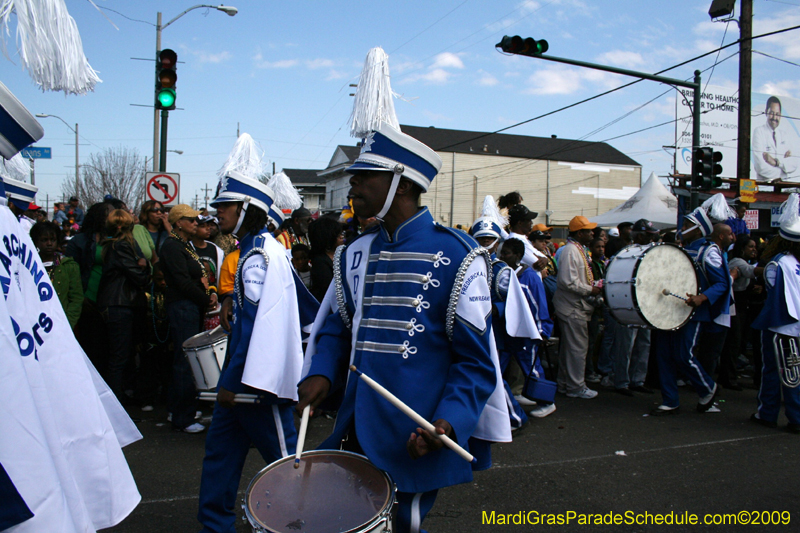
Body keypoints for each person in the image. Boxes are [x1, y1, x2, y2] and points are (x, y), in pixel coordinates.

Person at [298, 123, 505, 533]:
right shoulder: (354, 252)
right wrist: (321, 371)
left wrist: (447, 422)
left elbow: (475, 363)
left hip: (414, 435)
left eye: (364, 176)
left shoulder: (458, 255)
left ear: (402, 185)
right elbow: (340, 328)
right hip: (353, 426)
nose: (353, 185)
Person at [198, 170, 315, 533]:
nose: (219, 212)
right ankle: (214, 525)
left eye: (225, 206)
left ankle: (302, 524)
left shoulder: (255, 255)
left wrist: (230, 383)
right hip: (247, 377)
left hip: (255, 382)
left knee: (284, 462)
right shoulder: (261, 249)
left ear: (246, 208)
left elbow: (253, 328)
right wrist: (234, 297)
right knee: (220, 455)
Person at [651, 195, 733, 415]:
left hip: (693, 312)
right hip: (670, 310)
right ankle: (670, 400)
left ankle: (708, 388)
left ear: (698, 230)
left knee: (683, 355)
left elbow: (722, 282)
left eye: (687, 225)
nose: (682, 228)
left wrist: (702, 297)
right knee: (664, 354)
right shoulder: (680, 248)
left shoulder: (709, 251)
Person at [159, 204, 216, 433]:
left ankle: (180, 409)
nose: (196, 224)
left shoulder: (184, 245)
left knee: (185, 360)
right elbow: (182, 282)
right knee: (185, 362)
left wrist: (208, 293)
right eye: (192, 220)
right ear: (178, 222)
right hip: (183, 306)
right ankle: (182, 417)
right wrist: (205, 299)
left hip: (191, 305)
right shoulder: (172, 247)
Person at [750, 193, 800, 434]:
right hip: (795, 327)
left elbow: (772, 292)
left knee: (778, 373)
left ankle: (769, 414)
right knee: (794, 373)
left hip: (780, 326)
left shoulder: (778, 263)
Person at [96, 210, 150, 404]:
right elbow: (139, 276)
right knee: (119, 356)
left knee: (120, 355)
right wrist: (145, 266)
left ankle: (117, 400)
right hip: (120, 303)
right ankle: (115, 405)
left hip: (116, 303)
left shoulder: (110, 245)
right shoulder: (123, 246)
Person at [499, 238, 555, 419]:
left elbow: (540, 305)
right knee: (497, 368)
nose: (502, 256)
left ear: (517, 255)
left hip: (526, 333)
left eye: (506, 253)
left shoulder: (529, 276)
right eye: (502, 252)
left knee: (531, 367)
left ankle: (547, 402)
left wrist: (542, 330)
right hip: (506, 332)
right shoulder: (503, 274)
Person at [607, 219, 658, 396]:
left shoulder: (654, 253)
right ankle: (621, 381)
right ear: (641, 235)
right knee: (625, 345)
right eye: (650, 235)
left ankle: (638, 380)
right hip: (628, 305)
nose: (653, 239)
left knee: (644, 343)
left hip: (646, 305)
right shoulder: (625, 253)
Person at [553, 216, 601, 399]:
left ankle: (566, 384)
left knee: (570, 348)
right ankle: (575, 387)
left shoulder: (577, 249)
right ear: (580, 233)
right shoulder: (571, 251)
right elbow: (567, 282)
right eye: (589, 230)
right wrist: (591, 289)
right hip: (572, 307)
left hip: (573, 306)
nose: (592, 233)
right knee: (577, 349)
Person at [65, 201, 114, 374]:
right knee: (91, 348)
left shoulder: (118, 238)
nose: (113, 215)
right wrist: (80, 297)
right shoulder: (80, 241)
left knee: (110, 351)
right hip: (88, 300)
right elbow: (71, 273)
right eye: (109, 212)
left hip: (111, 300)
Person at [721, 235, 763, 390]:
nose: (754, 250)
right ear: (742, 248)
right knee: (733, 342)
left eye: (755, 247)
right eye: (750, 246)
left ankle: (729, 375)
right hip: (735, 307)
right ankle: (728, 378)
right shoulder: (738, 262)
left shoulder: (744, 262)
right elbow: (750, 271)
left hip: (742, 306)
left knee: (737, 342)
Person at [30, 221, 83, 329]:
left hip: (62, 324)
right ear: (35, 242)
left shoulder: (68, 266)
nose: (49, 243)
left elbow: (76, 298)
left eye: (53, 240)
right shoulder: (29, 266)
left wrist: (67, 324)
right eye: (44, 240)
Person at [752, 96, 798, 182]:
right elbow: (760, 166)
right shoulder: (759, 132)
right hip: (765, 188)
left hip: (784, 188)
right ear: (766, 112)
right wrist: (783, 172)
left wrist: (776, 162)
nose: (774, 117)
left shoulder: (784, 135)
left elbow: (794, 163)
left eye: (777, 114)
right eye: (771, 113)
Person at [191, 215, 225, 330]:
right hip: (194, 302)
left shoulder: (215, 250)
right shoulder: (187, 248)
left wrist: (215, 294)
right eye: (202, 226)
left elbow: (218, 276)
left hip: (213, 300)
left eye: (208, 226)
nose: (208, 229)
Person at [307, 216, 345, 302]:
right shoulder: (320, 262)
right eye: (338, 235)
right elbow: (328, 290)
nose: (341, 237)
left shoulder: (340, 254)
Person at [506, 204, 548, 275]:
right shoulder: (515, 241)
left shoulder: (522, 238)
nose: (531, 223)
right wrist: (542, 259)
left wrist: (544, 258)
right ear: (520, 223)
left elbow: (542, 256)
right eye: (528, 220)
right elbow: (537, 265)